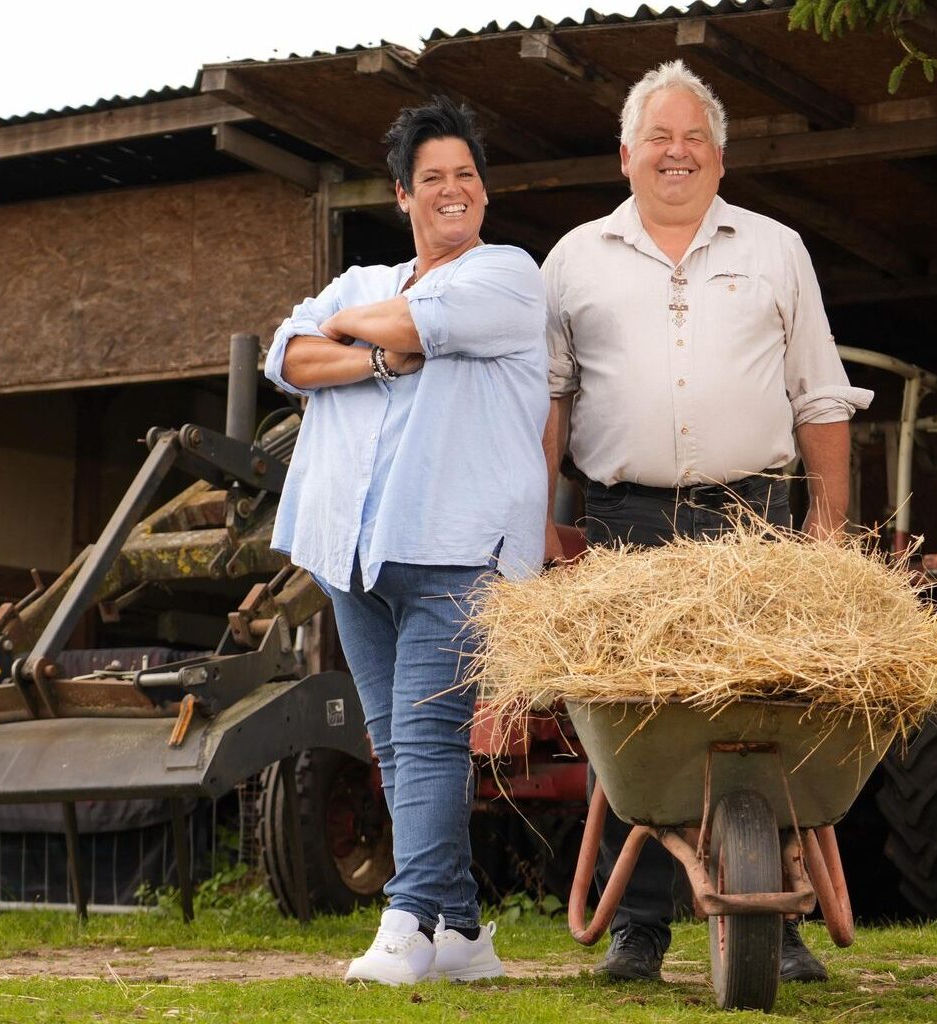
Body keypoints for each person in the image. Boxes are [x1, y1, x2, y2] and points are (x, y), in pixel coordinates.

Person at [541, 60, 874, 984]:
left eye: (694, 139)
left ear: (720, 159)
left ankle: (785, 919)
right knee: (638, 726)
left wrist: (828, 530)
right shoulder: (573, 260)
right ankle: (637, 930)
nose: (676, 152)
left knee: (766, 717)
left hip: (753, 519)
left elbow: (820, 395)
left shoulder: (776, 250)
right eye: (659, 137)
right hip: (626, 522)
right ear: (626, 156)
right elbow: (551, 408)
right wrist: (535, 527)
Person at [267, 96, 549, 986]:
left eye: (466, 175)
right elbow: (287, 356)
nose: (454, 189)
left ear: (484, 192)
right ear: (402, 194)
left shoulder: (506, 274)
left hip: (456, 545)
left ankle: (405, 923)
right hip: (353, 548)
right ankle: (461, 932)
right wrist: (375, 356)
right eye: (434, 178)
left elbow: (417, 323)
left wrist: (361, 331)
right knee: (394, 745)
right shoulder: (361, 282)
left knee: (428, 741)